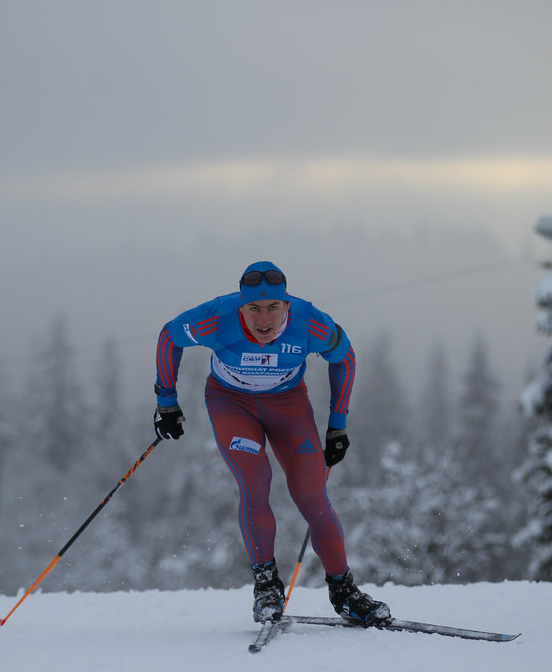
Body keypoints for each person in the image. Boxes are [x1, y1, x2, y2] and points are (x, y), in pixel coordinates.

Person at [153, 260, 390, 626]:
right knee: (256, 480)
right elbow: (170, 336)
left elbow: (345, 358)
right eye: (253, 309)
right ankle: (266, 586)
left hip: (288, 405)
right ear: (241, 306)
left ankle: (344, 592)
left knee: (312, 495)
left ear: (287, 306)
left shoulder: (310, 322)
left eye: (273, 308)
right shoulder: (217, 317)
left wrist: (337, 426)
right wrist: (166, 402)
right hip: (231, 404)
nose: (263, 320)